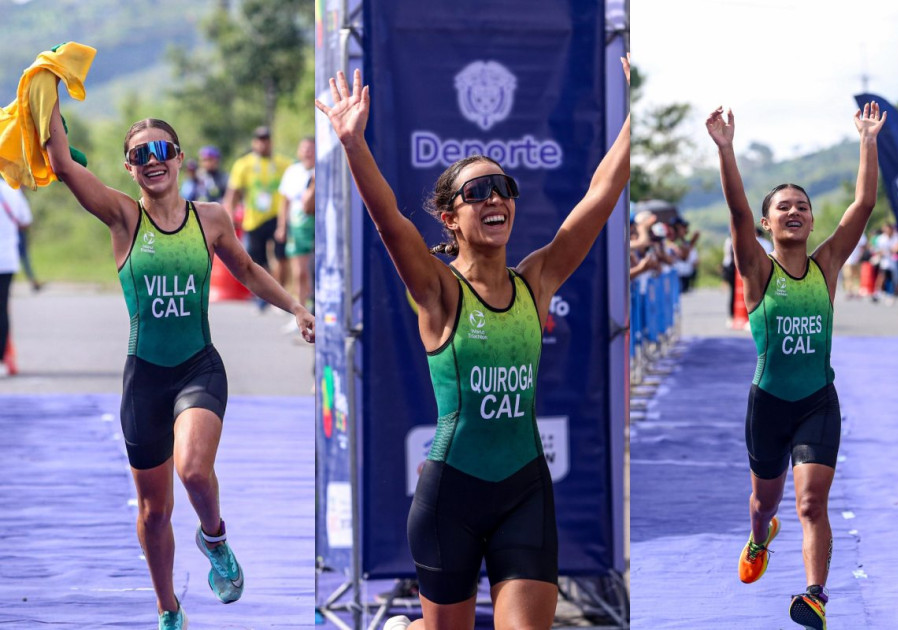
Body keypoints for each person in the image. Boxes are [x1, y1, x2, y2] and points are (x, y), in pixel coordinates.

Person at [316, 56, 629, 630]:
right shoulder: (438, 291)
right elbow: (388, 221)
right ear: (449, 217)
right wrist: (353, 143)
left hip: (524, 490)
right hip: (449, 498)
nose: (495, 198)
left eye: (503, 188)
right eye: (477, 190)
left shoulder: (536, 280)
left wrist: (639, 109)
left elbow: (601, 196)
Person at [43, 88, 316, 629]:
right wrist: (49, 85)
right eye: (140, 155)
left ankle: (214, 536)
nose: (152, 162)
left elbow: (246, 268)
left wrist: (295, 306)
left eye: (161, 150)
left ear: (180, 158)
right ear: (128, 167)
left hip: (198, 367)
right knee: (154, 510)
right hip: (143, 380)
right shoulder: (122, 217)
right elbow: (61, 165)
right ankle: (169, 608)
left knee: (193, 470)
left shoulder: (211, 218)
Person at [705, 101, 885, 630]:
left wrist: (868, 141)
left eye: (802, 205)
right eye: (782, 206)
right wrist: (725, 150)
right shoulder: (757, 271)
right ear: (768, 222)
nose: (794, 211)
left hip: (816, 402)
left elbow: (864, 203)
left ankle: (814, 597)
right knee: (765, 506)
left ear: (810, 219)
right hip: (768, 406)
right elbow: (737, 213)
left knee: (811, 502)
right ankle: (761, 538)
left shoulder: (827, 265)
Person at [223, 126, 292, 306]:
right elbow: (233, 193)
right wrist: (228, 215)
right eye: (259, 140)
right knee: (257, 260)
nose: (263, 143)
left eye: (266, 140)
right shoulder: (243, 164)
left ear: (271, 142)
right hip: (253, 220)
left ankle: (280, 293)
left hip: (276, 217)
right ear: (254, 142)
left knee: (281, 256)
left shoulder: (283, 163)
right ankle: (268, 293)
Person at [276, 136, 316, 310]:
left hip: (317, 226)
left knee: (314, 271)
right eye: (304, 148)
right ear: (299, 151)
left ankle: (315, 307)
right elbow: (285, 202)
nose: (307, 152)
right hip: (297, 228)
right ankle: (301, 310)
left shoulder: (323, 170)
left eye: (311, 148)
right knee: (300, 273)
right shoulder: (292, 172)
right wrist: (282, 226)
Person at [0, 179, 33, 376]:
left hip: (6, 259)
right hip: (6, 259)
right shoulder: (11, 191)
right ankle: (2, 360)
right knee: (2, 309)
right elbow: (25, 220)